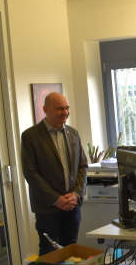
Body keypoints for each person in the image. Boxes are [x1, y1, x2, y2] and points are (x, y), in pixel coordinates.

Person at [21, 92, 88, 256]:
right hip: (47, 208)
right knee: (49, 253)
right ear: (45, 109)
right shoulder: (31, 136)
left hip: (72, 206)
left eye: (67, 108)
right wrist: (56, 199)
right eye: (60, 108)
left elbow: (82, 166)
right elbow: (31, 173)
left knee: (71, 251)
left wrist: (76, 194)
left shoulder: (73, 133)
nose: (65, 112)